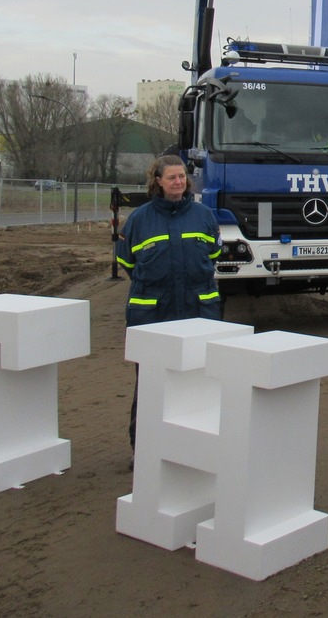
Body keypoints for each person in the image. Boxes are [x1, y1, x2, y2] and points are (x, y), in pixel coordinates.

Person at [116, 155, 222, 460]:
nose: (179, 182)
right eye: (172, 177)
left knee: (199, 382)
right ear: (158, 182)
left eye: (182, 177)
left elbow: (212, 254)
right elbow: (126, 262)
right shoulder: (139, 219)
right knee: (150, 383)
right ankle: (144, 450)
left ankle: (195, 449)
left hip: (198, 311)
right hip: (153, 313)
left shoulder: (203, 216)